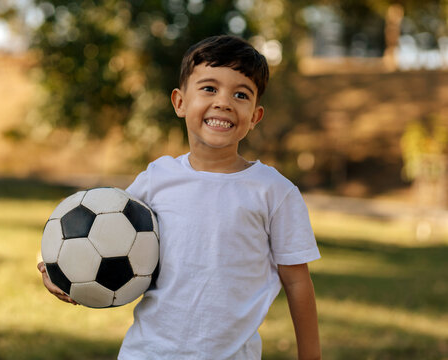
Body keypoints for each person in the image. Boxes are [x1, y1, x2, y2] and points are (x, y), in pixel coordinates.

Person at [37, 35, 321, 359]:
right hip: (147, 352)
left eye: (240, 94)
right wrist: (48, 264)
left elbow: (297, 283)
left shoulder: (274, 192)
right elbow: (90, 224)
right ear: (180, 102)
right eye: (209, 88)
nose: (224, 102)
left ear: (255, 116)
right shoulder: (158, 177)